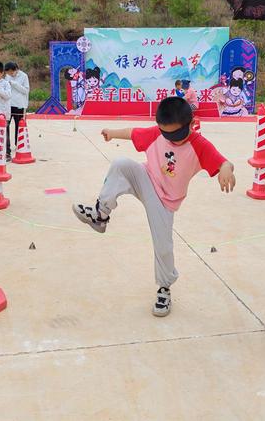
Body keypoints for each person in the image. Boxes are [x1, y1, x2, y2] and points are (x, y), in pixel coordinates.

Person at [72, 96, 235, 316]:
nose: (171, 139)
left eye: (176, 134)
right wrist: (111, 132)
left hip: (165, 201)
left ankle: (164, 288)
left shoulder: (199, 145)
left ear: (191, 123)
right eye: (166, 134)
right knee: (121, 163)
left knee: (163, 246)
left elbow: (223, 161)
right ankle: (100, 215)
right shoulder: (158, 133)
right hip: (146, 179)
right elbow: (133, 133)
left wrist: (226, 168)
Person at [5, 62, 29, 160]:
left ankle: (18, 143)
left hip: (19, 104)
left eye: (11, 72)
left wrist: (14, 84)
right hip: (9, 104)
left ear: (16, 70)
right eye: (8, 73)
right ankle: (7, 146)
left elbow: (26, 90)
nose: (10, 74)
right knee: (6, 125)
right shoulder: (7, 76)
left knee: (19, 125)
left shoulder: (24, 76)